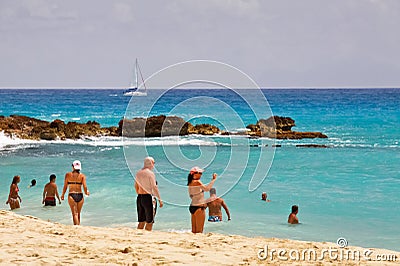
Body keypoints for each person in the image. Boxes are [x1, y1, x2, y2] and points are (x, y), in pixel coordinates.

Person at [134, 156, 163, 231]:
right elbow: (154, 187)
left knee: (141, 221)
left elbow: (136, 186)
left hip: (140, 197)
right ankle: (147, 235)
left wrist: (139, 193)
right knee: (149, 221)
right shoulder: (150, 174)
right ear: (151, 163)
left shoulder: (138, 173)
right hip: (148, 197)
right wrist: (160, 200)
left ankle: (138, 236)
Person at [187, 166, 217, 233]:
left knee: (194, 231)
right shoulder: (197, 182)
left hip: (192, 206)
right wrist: (213, 180)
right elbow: (207, 189)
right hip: (199, 207)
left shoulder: (190, 182)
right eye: (200, 173)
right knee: (199, 231)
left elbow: (191, 196)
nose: (201, 175)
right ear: (194, 174)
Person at [61, 160, 89, 225]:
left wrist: (63, 195)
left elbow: (65, 186)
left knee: (74, 214)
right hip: (80, 195)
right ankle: (78, 226)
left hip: (71, 195)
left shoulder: (68, 175)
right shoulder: (82, 176)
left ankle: (77, 228)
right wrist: (86, 192)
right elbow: (85, 186)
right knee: (78, 213)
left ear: (73, 167)